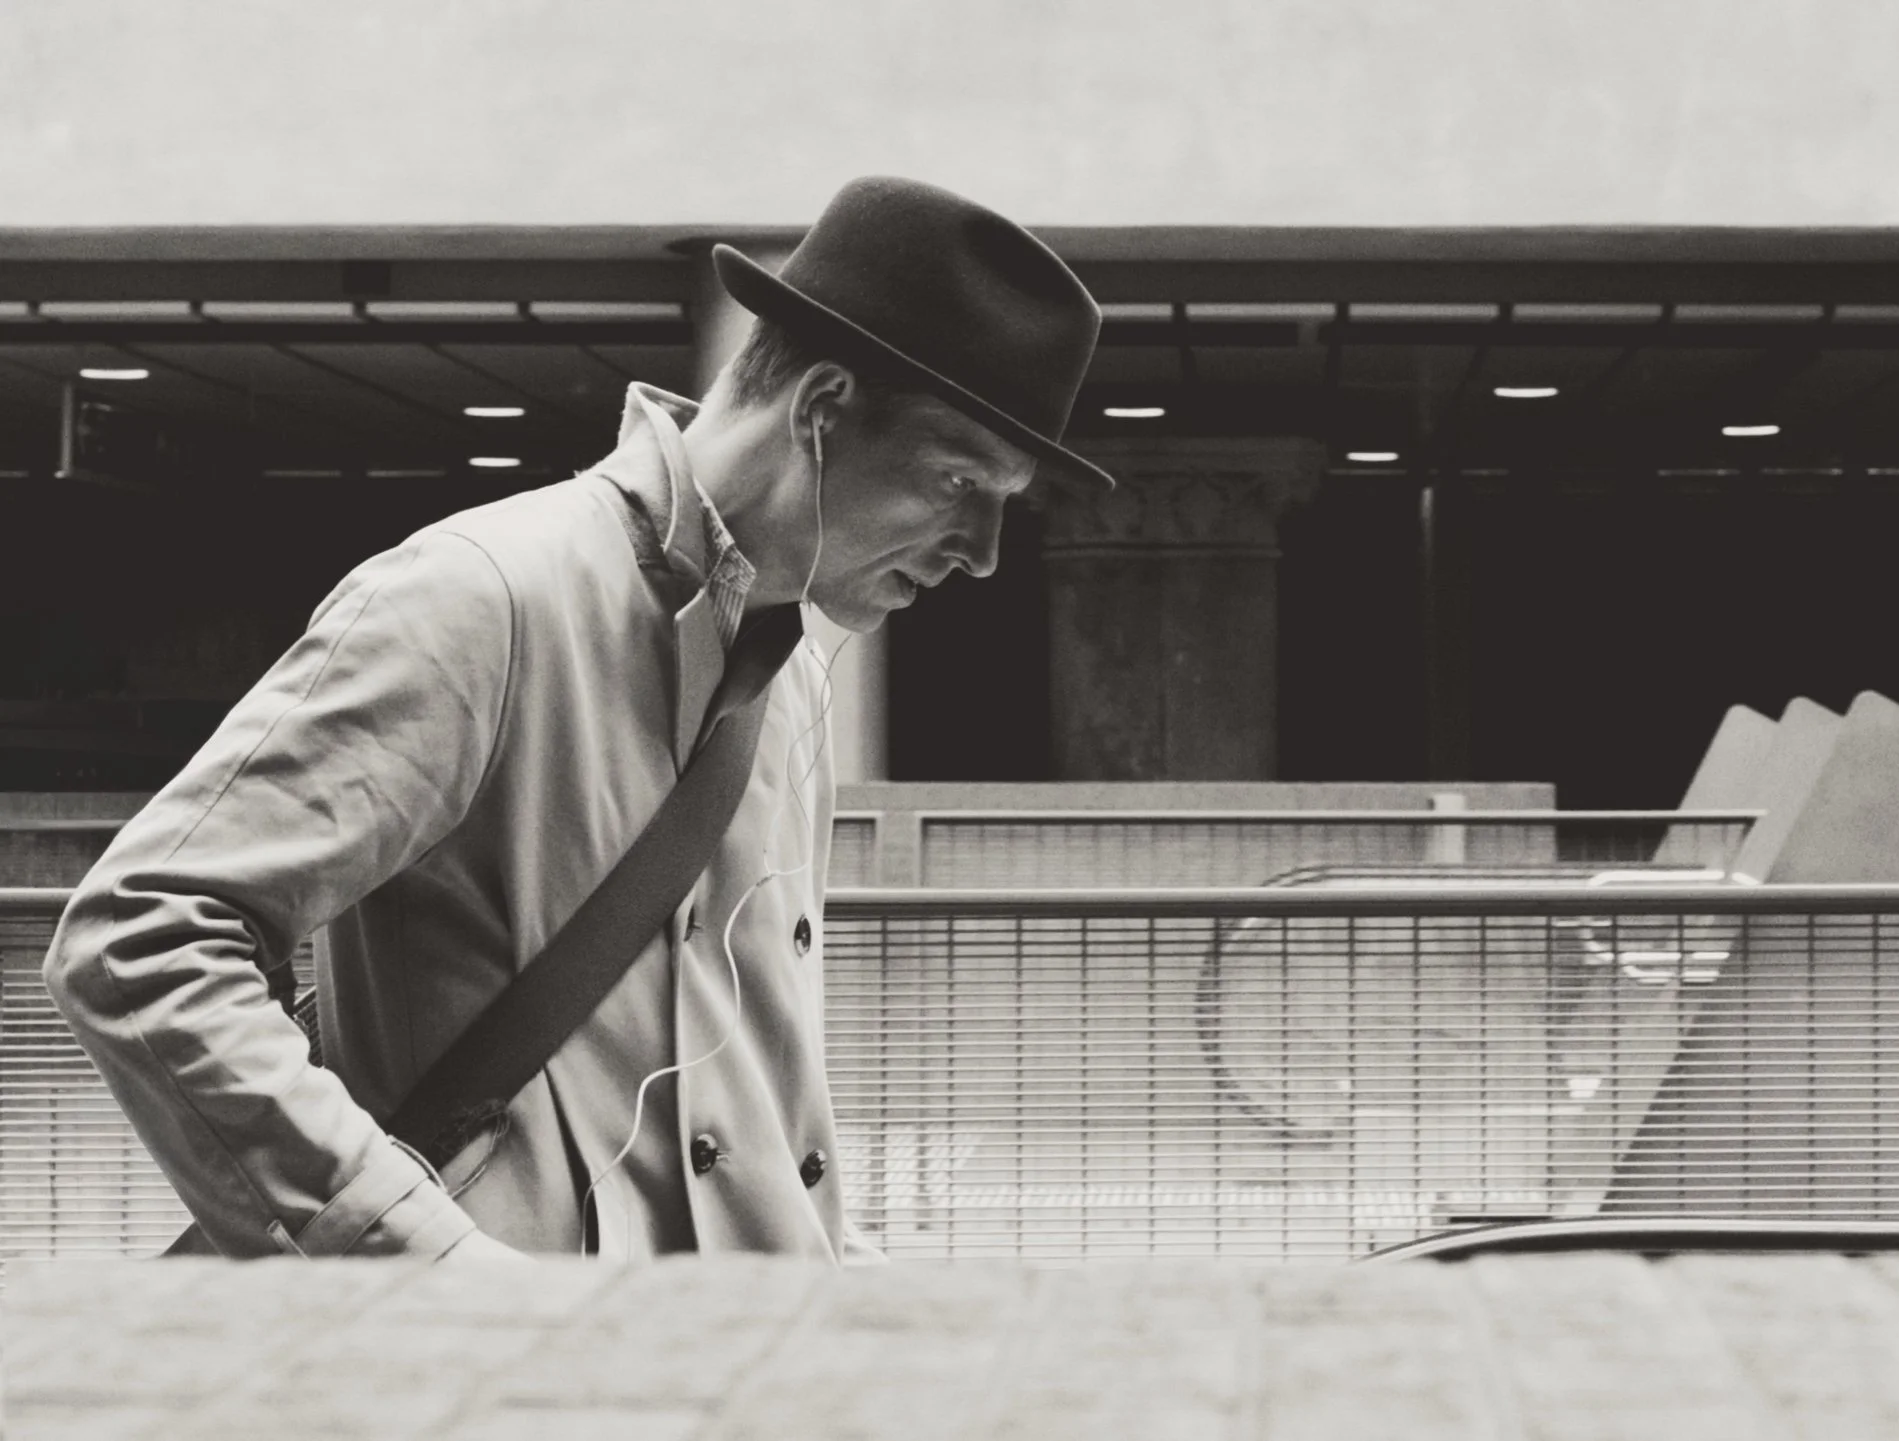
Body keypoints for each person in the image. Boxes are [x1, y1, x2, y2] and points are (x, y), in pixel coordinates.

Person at [43, 176, 1111, 1261]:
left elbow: (752, 1090)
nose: (980, 553)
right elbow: (142, 937)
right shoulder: (483, 594)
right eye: (957, 482)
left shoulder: (791, 676)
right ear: (823, 409)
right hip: (511, 1372)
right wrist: (424, 1265)